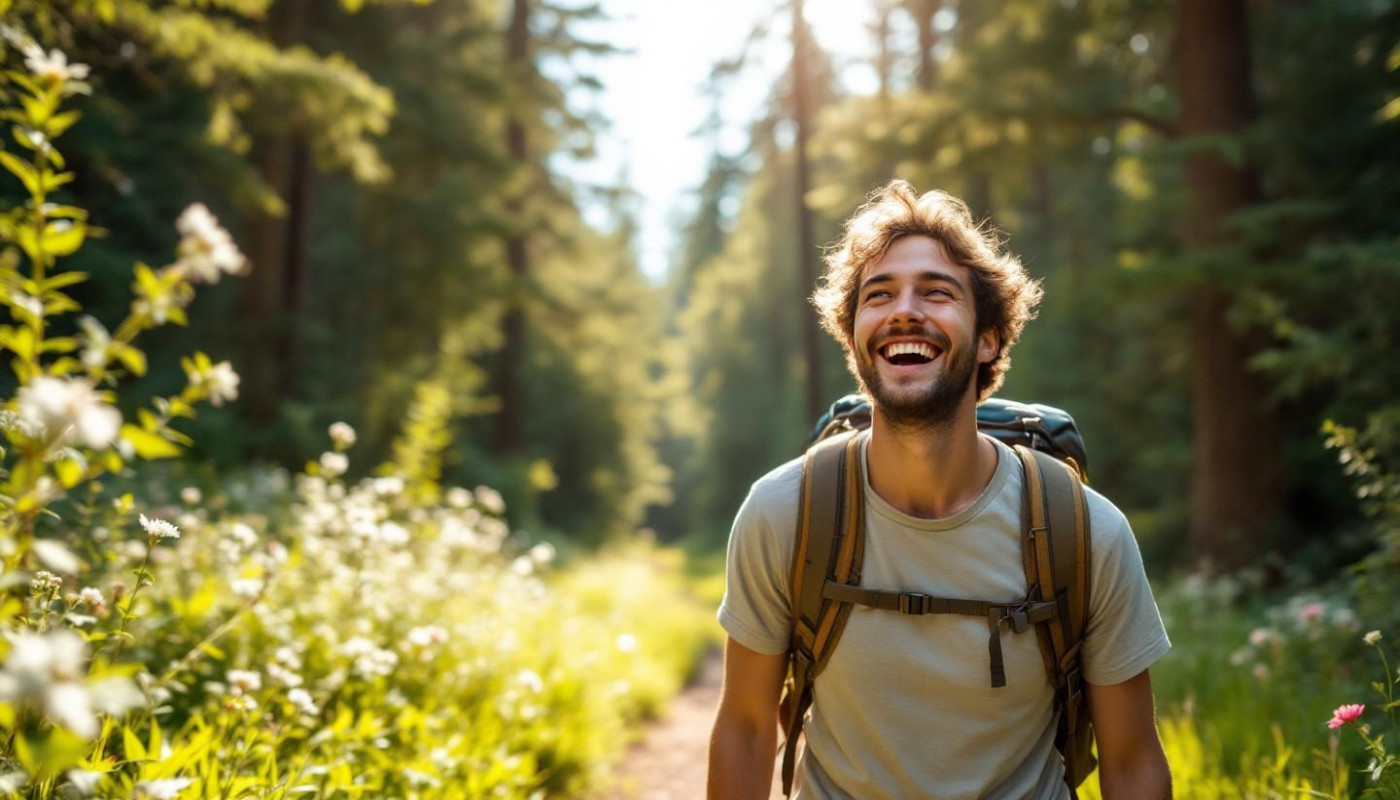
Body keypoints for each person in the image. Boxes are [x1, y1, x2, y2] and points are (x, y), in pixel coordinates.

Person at [707, 180, 1172, 800]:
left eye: (936, 292)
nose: (904, 310)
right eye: (879, 295)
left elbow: (1133, 759)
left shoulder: (1086, 531)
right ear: (855, 340)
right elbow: (743, 726)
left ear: (988, 339)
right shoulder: (783, 512)